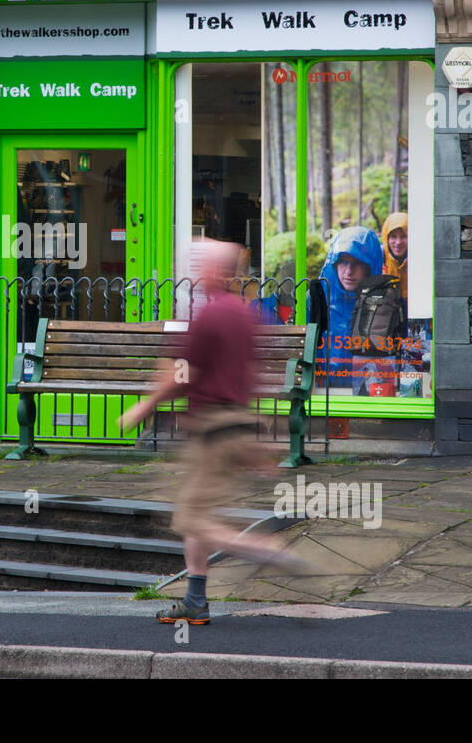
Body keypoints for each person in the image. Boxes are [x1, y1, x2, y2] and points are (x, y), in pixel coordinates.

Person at [118, 239, 311, 626]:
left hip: (213, 432)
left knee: (191, 519)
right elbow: (248, 376)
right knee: (198, 511)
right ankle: (195, 599)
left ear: (216, 272)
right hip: (237, 425)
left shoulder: (210, 316)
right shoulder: (242, 314)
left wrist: (145, 405)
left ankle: (266, 550)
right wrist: (258, 446)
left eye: (200, 263)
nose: (195, 270)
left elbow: (182, 372)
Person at [312, 226, 384, 393]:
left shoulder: (385, 303)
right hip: (324, 397)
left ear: (369, 267)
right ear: (334, 263)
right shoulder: (319, 298)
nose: (349, 271)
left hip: (368, 398)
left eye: (357, 263)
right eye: (343, 261)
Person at [381, 212, 409, 302]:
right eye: (393, 236)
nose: (398, 242)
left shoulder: (419, 257)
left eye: (403, 236)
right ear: (386, 238)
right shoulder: (380, 257)